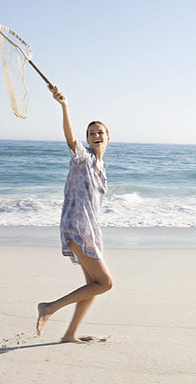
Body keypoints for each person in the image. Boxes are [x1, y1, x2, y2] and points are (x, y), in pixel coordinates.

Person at [36, 85, 113, 343]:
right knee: (105, 283)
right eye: (91, 133)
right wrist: (64, 105)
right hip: (77, 227)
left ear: (108, 138)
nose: (95, 135)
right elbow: (70, 139)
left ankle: (69, 334)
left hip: (91, 230)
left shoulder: (103, 168)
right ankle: (49, 308)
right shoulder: (83, 159)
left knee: (91, 285)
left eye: (100, 132)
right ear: (88, 139)